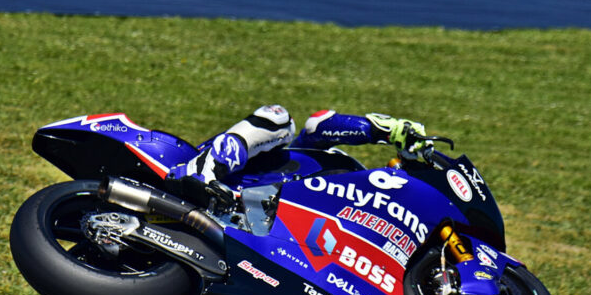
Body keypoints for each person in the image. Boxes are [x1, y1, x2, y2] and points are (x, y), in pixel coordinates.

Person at [169, 105, 431, 185]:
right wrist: (387, 131)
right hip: (239, 179)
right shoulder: (339, 164)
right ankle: (203, 173)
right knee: (280, 119)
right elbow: (318, 124)